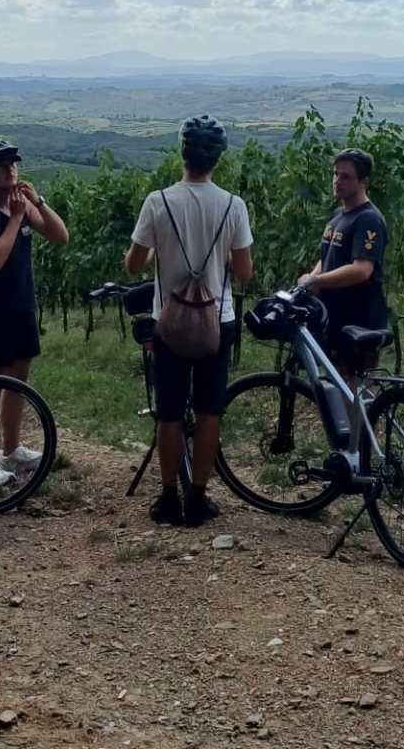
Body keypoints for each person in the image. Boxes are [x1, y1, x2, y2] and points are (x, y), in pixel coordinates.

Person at [125, 115, 253, 527]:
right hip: (219, 320)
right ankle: (198, 498)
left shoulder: (157, 202)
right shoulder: (234, 205)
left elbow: (133, 264)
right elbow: (245, 271)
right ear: (218, 158)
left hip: (171, 322)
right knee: (210, 409)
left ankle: (166, 499)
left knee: (169, 411)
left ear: (182, 153)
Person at [0, 139, 69, 487]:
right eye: (3, 165)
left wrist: (36, 202)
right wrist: (18, 218)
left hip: (21, 305)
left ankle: (11, 449)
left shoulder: (20, 203)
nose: (12, 169)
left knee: (18, 381)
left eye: (14, 163)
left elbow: (59, 235)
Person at [299, 148, 389, 385]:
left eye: (346, 176)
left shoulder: (368, 219)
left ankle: (363, 424)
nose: (337, 181)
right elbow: (329, 256)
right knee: (339, 389)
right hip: (337, 319)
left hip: (360, 320)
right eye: (335, 174)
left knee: (355, 393)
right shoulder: (338, 216)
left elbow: (362, 269)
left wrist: (318, 281)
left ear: (364, 182)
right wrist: (312, 275)